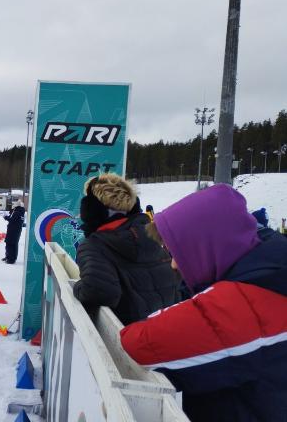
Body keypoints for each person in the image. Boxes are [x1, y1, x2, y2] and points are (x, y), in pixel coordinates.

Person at [120, 184, 287, 422]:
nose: (174, 265)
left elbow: (138, 342)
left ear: (206, 243)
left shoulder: (244, 302)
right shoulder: (270, 266)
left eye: (177, 252)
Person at [73, 173, 181, 324]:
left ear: (92, 210)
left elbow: (99, 291)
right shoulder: (153, 237)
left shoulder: (94, 246)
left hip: (128, 340)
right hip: (165, 331)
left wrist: (75, 287)